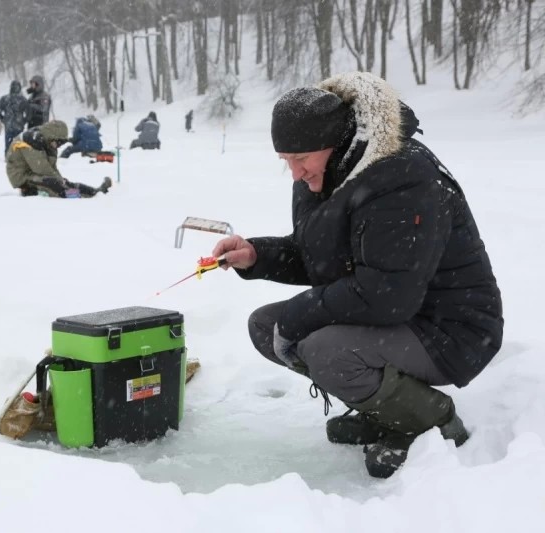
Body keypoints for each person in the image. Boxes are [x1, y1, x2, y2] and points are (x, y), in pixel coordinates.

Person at [211, 71, 503, 479]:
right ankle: (389, 408)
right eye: (286, 162)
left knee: (325, 349)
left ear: (335, 143)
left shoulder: (401, 176)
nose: (295, 173)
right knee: (266, 326)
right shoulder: (328, 174)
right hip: (400, 315)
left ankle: (431, 420)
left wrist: (299, 315)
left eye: (301, 159)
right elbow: (322, 257)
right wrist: (257, 256)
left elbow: (386, 294)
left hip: (451, 328)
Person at [6, 120, 112, 198]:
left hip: (33, 173)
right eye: (59, 142)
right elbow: (42, 169)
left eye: (62, 143)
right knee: (55, 185)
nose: (59, 145)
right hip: (21, 176)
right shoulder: (32, 139)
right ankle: (74, 195)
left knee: (63, 183)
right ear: (52, 136)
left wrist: (62, 180)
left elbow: (52, 167)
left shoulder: (49, 142)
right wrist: (60, 182)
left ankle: (94, 192)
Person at [0, 80, 29, 155]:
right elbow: (29, 114)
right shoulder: (23, 99)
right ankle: (18, 157)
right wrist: (24, 121)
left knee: (9, 143)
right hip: (19, 125)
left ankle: (8, 156)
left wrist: (3, 119)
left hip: (9, 125)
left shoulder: (4, 99)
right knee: (19, 144)